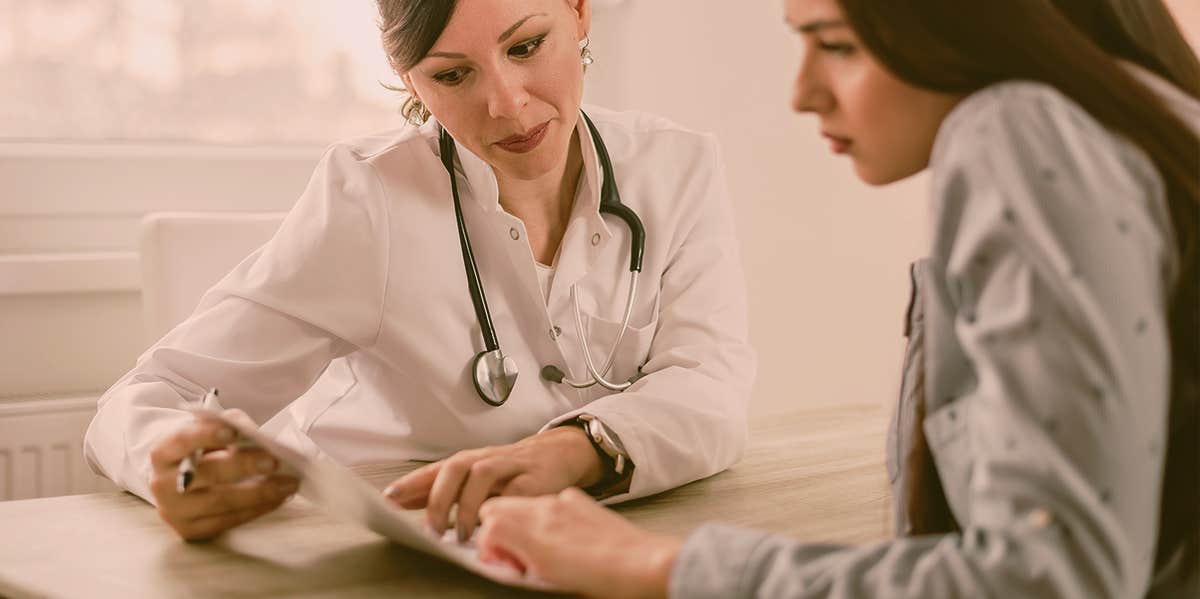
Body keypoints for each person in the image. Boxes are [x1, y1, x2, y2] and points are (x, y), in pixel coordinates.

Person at [472, 0, 1200, 597]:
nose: (803, 92)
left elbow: (1050, 579)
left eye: (838, 45)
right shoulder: (1145, 118)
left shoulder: (1013, 129)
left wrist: (661, 565)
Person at [83, 0, 755, 543]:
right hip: (385, 554)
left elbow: (711, 384)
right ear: (409, 79)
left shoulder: (678, 168)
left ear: (579, 11)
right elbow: (149, 392)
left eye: (525, 47)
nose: (507, 104)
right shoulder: (368, 199)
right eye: (452, 75)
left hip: (588, 546)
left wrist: (571, 451)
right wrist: (166, 459)